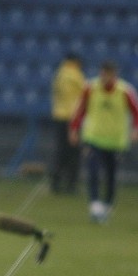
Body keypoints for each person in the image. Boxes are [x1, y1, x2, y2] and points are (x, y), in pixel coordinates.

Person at [69, 60, 138, 223]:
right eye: (103, 73)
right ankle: (95, 204)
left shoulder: (125, 91)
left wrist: (137, 129)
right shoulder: (90, 88)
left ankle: (108, 204)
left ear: (115, 74)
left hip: (115, 141)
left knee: (111, 175)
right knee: (93, 170)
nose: (105, 77)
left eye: (109, 74)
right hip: (93, 138)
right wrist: (74, 129)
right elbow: (80, 110)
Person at [49, 52, 85, 195]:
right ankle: (71, 184)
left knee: (61, 151)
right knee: (73, 153)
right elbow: (82, 96)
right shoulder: (75, 75)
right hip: (72, 118)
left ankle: (56, 182)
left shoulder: (60, 73)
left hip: (59, 115)